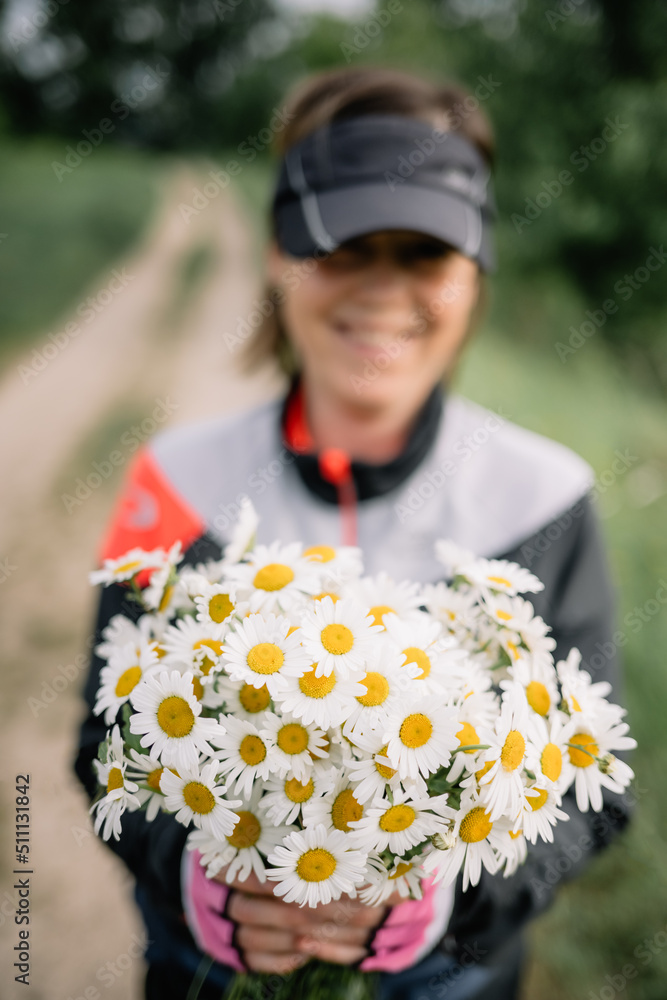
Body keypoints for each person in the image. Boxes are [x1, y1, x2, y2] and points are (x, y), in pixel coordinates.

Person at [73, 65, 633, 1000]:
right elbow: (107, 741)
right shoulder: (180, 483)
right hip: (208, 971)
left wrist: (455, 901)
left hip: (452, 979)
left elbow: (593, 796)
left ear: (475, 268)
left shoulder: (540, 498)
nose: (381, 290)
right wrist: (193, 877)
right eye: (343, 247)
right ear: (275, 253)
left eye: (423, 253)